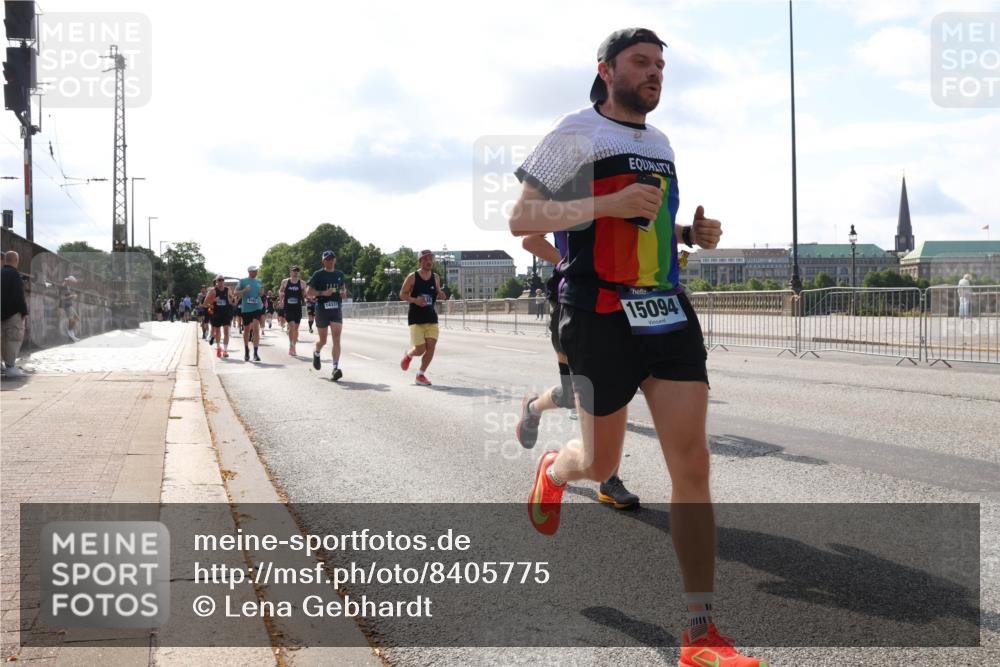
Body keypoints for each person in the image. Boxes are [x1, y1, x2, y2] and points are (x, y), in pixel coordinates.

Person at [508, 28, 767, 667]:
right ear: (606, 70)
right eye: (641, 63)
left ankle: (699, 633)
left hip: (665, 310)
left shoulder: (661, 142)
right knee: (600, 462)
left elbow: (641, 225)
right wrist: (609, 201)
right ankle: (554, 471)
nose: (654, 73)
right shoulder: (573, 132)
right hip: (598, 313)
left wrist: (687, 233)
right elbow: (522, 220)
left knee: (693, 463)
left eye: (660, 66)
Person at [517, 235, 639, 510]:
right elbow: (529, 238)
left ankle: (609, 479)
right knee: (572, 393)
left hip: (618, 297)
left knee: (614, 384)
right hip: (570, 300)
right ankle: (533, 407)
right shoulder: (567, 205)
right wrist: (568, 261)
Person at [399, 249, 447, 386]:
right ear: (420, 261)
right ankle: (409, 355)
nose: (429, 261)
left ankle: (420, 375)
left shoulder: (435, 277)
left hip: (431, 318)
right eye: (425, 259)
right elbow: (402, 294)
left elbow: (437, 291)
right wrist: (415, 300)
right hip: (416, 319)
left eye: (430, 258)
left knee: (431, 348)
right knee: (420, 350)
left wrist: (441, 294)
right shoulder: (412, 277)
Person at [306, 250, 347, 380]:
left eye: (331, 259)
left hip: (336, 309)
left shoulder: (340, 274)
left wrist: (343, 293)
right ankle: (317, 351)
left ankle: (335, 368)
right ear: (323, 261)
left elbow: (343, 289)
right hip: (322, 309)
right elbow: (308, 292)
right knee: (323, 340)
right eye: (327, 259)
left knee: (336, 337)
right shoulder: (318, 275)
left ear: (335, 260)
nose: (329, 261)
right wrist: (323, 293)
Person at [1, 251, 29, 377]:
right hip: (13, 314)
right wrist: (24, 312)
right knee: (13, 339)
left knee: (1, 339)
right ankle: (10, 367)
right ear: (16, 260)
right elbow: (19, 295)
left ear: (5, 260)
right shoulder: (15, 274)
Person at [235, 265, 264, 362]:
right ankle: (246, 350)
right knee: (246, 330)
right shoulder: (242, 281)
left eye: (256, 271)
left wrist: (261, 293)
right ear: (249, 272)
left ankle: (255, 353)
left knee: (256, 329)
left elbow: (261, 292)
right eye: (254, 271)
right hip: (246, 309)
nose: (256, 272)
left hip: (257, 307)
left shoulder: (259, 281)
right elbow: (235, 293)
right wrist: (244, 290)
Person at [278, 266, 306, 356]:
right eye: (294, 271)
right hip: (288, 307)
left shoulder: (302, 283)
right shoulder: (285, 281)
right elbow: (280, 291)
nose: (296, 272)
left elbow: (304, 294)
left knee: (296, 329)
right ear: (291, 272)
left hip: (297, 308)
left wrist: (306, 296)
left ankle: (294, 345)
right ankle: (291, 346)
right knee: (292, 326)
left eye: (297, 271)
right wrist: (281, 301)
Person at [205, 275, 233, 358]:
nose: (221, 281)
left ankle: (225, 350)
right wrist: (214, 300)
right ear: (216, 281)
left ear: (224, 281)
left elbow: (231, 301)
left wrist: (232, 300)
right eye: (219, 280)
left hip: (226, 313)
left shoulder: (228, 290)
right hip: (216, 314)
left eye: (222, 280)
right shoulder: (212, 291)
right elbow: (205, 303)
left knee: (226, 331)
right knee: (217, 331)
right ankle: (218, 348)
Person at [58, 276, 81, 342]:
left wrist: (72, 297)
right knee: (72, 319)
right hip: (66, 305)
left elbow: (67, 296)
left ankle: (71, 333)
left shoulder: (67, 286)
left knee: (76, 318)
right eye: (72, 282)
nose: (72, 284)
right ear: (69, 281)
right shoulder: (63, 286)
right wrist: (72, 296)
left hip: (69, 305)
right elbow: (62, 297)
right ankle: (71, 334)